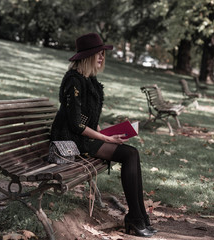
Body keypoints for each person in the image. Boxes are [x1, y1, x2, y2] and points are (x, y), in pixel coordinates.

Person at [50, 33, 157, 237]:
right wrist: (106, 138)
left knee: (131, 153)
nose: (101, 58)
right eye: (98, 54)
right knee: (129, 154)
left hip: (82, 138)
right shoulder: (73, 81)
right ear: (87, 56)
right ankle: (135, 218)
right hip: (68, 141)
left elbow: (87, 118)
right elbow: (75, 124)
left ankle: (140, 217)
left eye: (102, 54)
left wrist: (106, 132)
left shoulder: (89, 80)